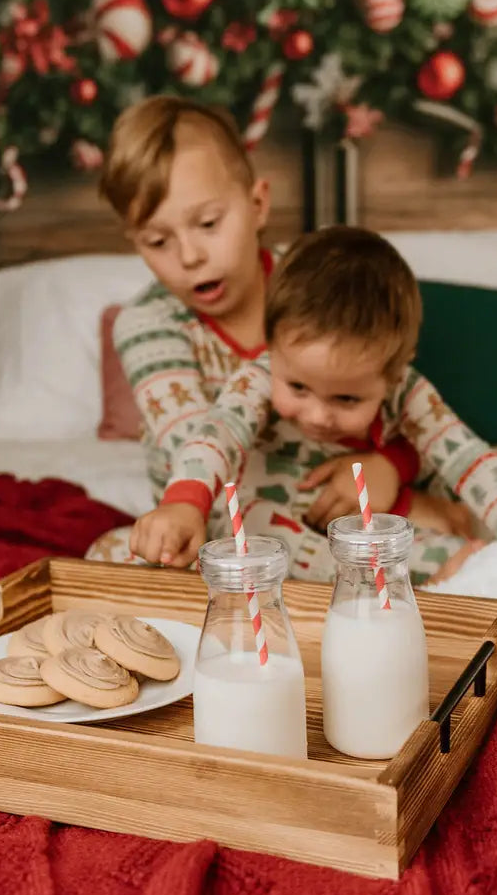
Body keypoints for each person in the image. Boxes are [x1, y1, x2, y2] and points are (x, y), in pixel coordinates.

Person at [123, 226, 497, 596]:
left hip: (386, 502)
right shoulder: (257, 375)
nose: (317, 415)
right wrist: (184, 500)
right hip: (294, 516)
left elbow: (470, 461)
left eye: (346, 400)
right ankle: (461, 566)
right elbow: (217, 435)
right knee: (256, 534)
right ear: (273, 347)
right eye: (297, 387)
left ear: (394, 371)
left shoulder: (407, 388)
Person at [86, 95, 442, 564]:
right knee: (114, 555)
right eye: (157, 241)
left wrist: (393, 467)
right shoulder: (148, 326)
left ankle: (438, 549)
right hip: (232, 517)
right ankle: (443, 565)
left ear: (257, 204)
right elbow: (201, 459)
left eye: (209, 223)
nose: (189, 256)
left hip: (355, 493)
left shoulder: (318, 282)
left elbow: (403, 402)